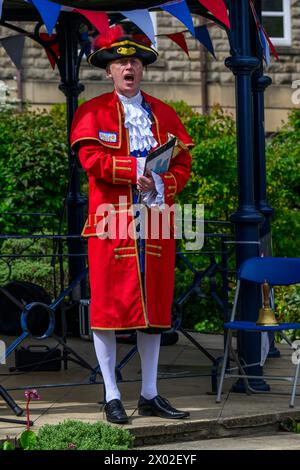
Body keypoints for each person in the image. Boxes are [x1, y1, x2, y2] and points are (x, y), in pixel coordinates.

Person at [71, 25, 193, 424]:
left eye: (136, 61)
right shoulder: (92, 112)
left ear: (143, 69)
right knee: (107, 310)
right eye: (122, 61)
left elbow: (183, 165)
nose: (129, 67)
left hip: (156, 221)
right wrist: (135, 169)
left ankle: (150, 393)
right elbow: (91, 161)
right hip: (111, 224)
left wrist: (159, 180)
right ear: (108, 70)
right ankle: (110, 394)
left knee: (155, 310)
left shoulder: (164, 113)